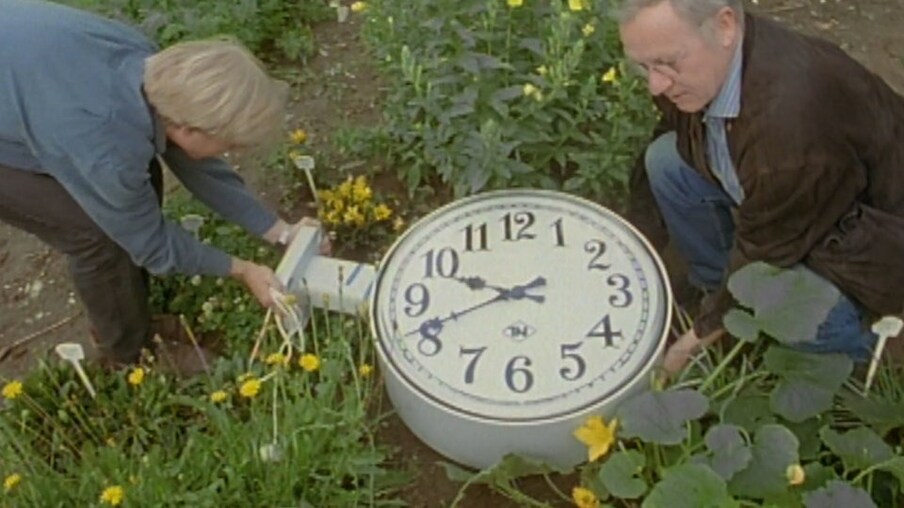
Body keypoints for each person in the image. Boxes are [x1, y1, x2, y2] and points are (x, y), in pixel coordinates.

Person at [0, 0, 311, 372]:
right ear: (188, 128)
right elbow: (150, 244)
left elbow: (194, 162)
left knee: (134, 181)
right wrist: (243, 269)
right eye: (228, 144)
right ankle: (129, 354)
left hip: (32, 80)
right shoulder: (105, 146)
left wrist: (279, 231)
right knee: (95, 233)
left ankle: (130, 313)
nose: (230, 152)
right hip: (62, 114)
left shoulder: (149, 66)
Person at [617, 0, 904, 375]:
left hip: (872, 241)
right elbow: (676, 135)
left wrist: (693, 341)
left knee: (788, 298)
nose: (656, 83)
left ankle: (859, 361)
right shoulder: (706, 68)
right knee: (666, 162)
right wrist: (634, 245)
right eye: (644, 67)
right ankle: (717, 292)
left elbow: (766, 250)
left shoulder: (791, 125)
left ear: (724, 26)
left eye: (669, 63)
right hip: (795, 202)